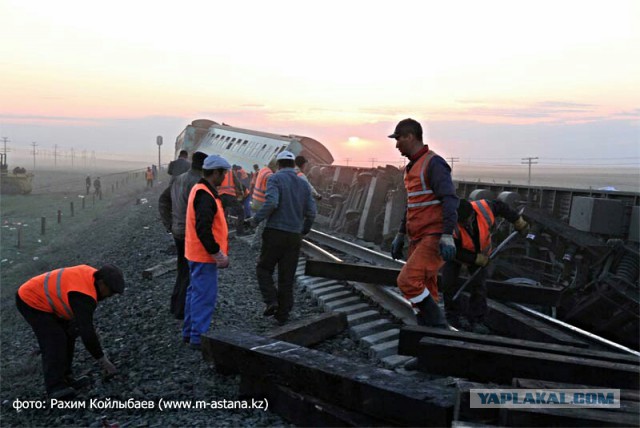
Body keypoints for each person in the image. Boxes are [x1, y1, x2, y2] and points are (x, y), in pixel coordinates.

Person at [388, 118, 458, 327]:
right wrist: (401, 234)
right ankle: (430, 341)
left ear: (410, 136)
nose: (397, 144)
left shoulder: (433, 163)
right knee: (427, 289)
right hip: (417, 237)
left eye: (398, 139)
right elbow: (413, 204)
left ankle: (439, 328)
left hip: (433, 236)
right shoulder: (411, 168)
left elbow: (449, 199)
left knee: (407, 281)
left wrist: (446, 234)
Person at [16, 264, 124, 399]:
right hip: (30, 299)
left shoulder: (91, 279)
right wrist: (103, 361)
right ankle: (55, 387)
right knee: (55, 339)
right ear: (102, 283)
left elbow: (82, 325)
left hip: (49, 299)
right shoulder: (84, 295)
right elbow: (87, 333)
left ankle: (65, 378)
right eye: (111, 291)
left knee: (69, 333)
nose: (110, 296)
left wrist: (85, 329)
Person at [247, 151, 316, 325]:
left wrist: (255, 220)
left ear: (278, 165)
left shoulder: (275, 179)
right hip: (294, 236)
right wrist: (303, 230)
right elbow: (312, 212)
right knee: (287, 276)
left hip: (275, 233)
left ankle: (271, 301)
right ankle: (283, 315)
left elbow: (271, 203)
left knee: (264, 268)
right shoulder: (303, 184)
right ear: (294, 165)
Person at [442, 198, 529, 333]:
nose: (465, 224)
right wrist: (475, 259)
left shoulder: (483, 208)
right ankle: (452, 317)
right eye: (462, 222)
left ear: (472, 214)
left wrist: (517, 220)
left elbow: (501, 207)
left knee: (479, 286)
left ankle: (476, 320)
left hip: (481, 252)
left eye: (466, 221)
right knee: (449, 283)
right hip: (457, 255)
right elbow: (454, 251)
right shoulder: (449, 223)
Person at [183, 154, 231, 350]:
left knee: (194, 293)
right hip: (203, 256)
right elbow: (204, 229)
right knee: (204, 297)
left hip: (194, 253)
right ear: (216, 172)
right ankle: (198, 338)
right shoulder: (205, 195)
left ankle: (189, 333)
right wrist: (217, 253)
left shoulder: (200, 189)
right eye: (223, 173)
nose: (225, 177)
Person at [158, 151, 208, 320]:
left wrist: (169, 224)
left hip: (177, 231)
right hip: (190, 233)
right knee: (189, 272)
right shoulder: (198, 183)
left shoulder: (178, 179)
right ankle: (181, 310)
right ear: (205, 166)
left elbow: (163, 200)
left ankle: (175, 305)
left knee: (182, 269)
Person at [249, 159, 277, 249]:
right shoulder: (270, 175)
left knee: (262, 224)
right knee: (263, 225)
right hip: (262, 202)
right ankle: (256, 244)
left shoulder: (263, 170)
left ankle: (257, 243)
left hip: (256, 200)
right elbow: (270, 191)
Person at [217, 165, 246, 235]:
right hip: (230, 195)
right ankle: (239, 232)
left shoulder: (216, 172)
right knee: (241, 212)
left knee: (221, 213)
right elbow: (237, 182)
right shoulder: (230, 172)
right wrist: (241, 191)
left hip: (220, 195)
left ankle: (222, 231)